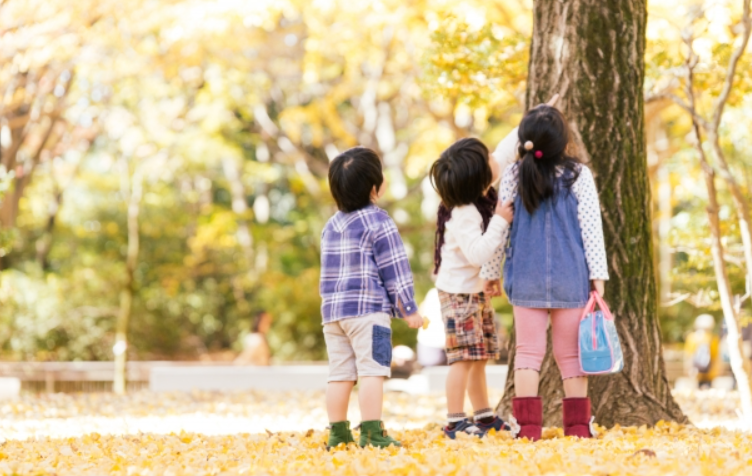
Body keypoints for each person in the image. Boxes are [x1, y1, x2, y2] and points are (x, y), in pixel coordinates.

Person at [480, 102, 609, 440]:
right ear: (562, 141)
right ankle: (579, 429)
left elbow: (501, 226)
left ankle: (528, 429)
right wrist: (598, 276)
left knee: (527, 353)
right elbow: (591, 229)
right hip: (571, 279)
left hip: (525, 277)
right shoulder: (579, 175)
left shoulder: (511, 175)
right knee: (570, 355)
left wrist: (490, 271)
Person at [320, 146, 423, 449]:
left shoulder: (331, 226)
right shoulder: (379, 221)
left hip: (333, 315)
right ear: (374, 189)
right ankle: (372, 433)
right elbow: (396, 269)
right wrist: (408, 309)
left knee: (339, 374)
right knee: (372, 372)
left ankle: (338, 434)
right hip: (368, 313)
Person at [430, 136, 514, 439]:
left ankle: (483, 415)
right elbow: (478, 252)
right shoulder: (464, 213)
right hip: (458, 296)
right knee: (463, 359)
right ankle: (454, 421)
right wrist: (500, 221)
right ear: (477, 181)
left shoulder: (473, 201)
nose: (493, 162)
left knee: (478, 356)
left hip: (473, 292)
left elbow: (505, 150)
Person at [684, 314, 720, 389]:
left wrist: (688, 368)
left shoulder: (692, 337)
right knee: (708, 390)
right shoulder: (713, 338)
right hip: (709, 371)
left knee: (696, 390)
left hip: (695, 371)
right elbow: (715, 356)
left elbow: (689, 355)